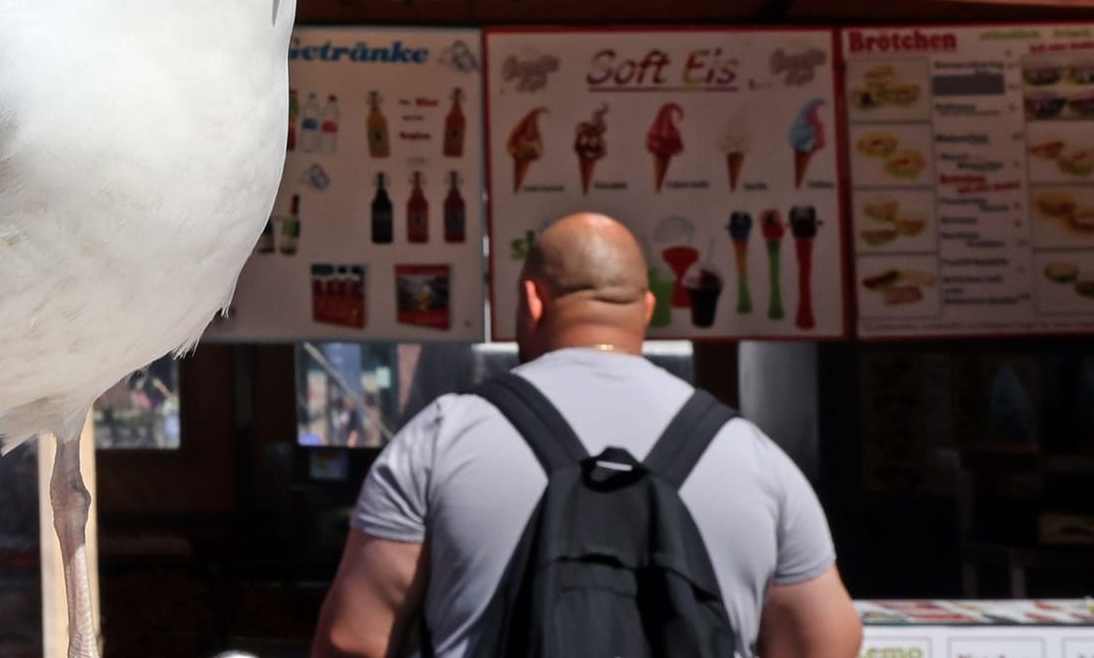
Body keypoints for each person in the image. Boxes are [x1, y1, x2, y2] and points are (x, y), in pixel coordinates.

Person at [311, 212, 862, 658]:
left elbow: (352, 641)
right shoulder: (755, 458)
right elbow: (829, 644)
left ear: (532, 301)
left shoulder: (440, 439)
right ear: (648, 308)